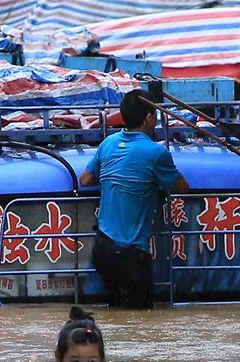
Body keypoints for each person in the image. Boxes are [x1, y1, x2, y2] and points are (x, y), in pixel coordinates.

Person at [80, 88, 190, 309]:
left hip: (102, 246)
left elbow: (85, 179)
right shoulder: (156, 153)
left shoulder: (108, 143)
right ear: (150, 117)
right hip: (130, 252)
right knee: (140, 319)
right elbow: (182, 187)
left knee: (118, 314)